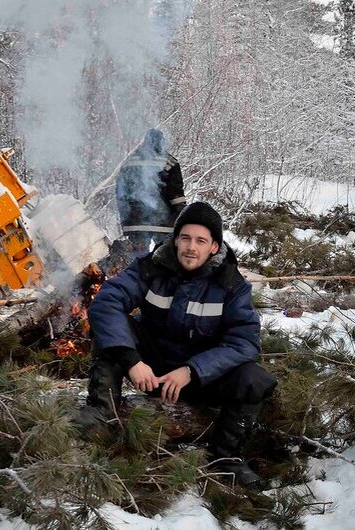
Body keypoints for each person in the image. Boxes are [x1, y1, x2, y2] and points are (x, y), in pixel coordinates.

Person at [75, 201, 277, 489]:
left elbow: (244, 343)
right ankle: (100, 411)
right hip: (153, 371)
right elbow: (107, 302)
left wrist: (192, 370)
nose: (191, 247)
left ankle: (226, 458)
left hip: (202, 380)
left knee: (253, 378)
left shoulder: (232, 285)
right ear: (175, 239)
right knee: (114, 328)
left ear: (214, 247)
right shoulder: (150, 267)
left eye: (200, 240)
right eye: (185, 238)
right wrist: (132, 360)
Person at [115, 128, 186, 254]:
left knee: (137, 261)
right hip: (164, 223)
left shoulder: (129, 161)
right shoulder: (169, 162)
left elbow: (121, 193)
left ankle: (137, 273)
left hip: (135, 221)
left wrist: (125, 219)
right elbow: (175, 193)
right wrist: (183, 216)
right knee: (164, 259)